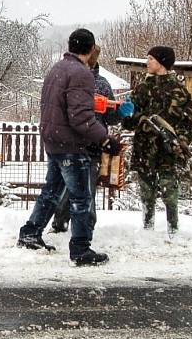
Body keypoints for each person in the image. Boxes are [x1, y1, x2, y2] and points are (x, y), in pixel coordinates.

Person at [17, 29, 120, 266]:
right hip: (73, 145)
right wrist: (105, 139)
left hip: (53, 140)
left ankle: (30, 232)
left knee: (51, 191)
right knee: (81, 198)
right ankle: (81, 249)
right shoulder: (82, 74)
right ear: (91, 48)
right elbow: (81, 117)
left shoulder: (57, 69)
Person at [49, 45, 123, 233]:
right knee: (74, 186)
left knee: (82, 186)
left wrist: (119, 112)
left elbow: (110, 117)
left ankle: (79, 225)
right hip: (75, 142)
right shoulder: (71, 79)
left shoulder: (101, 84)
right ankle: (66, 223)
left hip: (89, 143)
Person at [122, 46, 192, 234]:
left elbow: (188, 122)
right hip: (145, 148)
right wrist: (132, 117)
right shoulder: (142, 88)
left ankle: (173, 229)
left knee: (170, 192)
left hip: (168, 150)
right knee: (146, 192)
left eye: (151, 59)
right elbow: (129, 120)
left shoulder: (180, 90)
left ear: (161, 62)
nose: (148, 62)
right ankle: (147, 229)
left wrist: (182, 142)